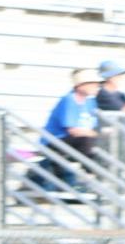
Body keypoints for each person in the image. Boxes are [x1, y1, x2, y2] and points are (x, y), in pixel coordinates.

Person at [35, 65, 101, 195]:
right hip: (54, 142)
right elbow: (73, 130)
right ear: (81, 85)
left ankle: (92, 176)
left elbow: (92, 127)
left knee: (97, 142)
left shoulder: (90, 102)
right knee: (87, 140)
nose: (97, 87)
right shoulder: (69, 100)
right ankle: (89, 176)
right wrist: (97, 134)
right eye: (93, 84)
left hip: (74, 142)